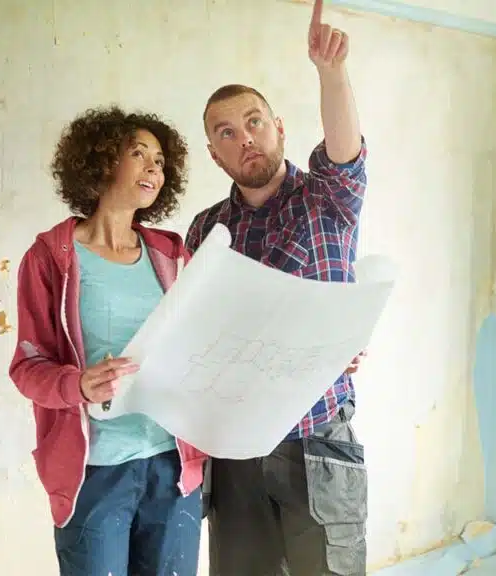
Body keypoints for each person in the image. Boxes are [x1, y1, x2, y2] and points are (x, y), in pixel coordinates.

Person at [185, 1, 369, 574]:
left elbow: (345, 152)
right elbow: (194, 332)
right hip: (234, 443)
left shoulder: (327, 200)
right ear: (215, 155)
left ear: (279, 127)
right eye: (227, 133)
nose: (246, 139)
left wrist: (329, 71)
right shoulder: (205, 230)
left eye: (254, 122)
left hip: (316, 438)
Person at [9, 106, 208, 576]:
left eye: (159, 160)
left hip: (173, 467)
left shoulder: (173, 254)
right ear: (99, 163)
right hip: (94, 472)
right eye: (138, 154)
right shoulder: (49, 258)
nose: (153, 168)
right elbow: (26, 367)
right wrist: (78, 385)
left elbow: (214, 339)